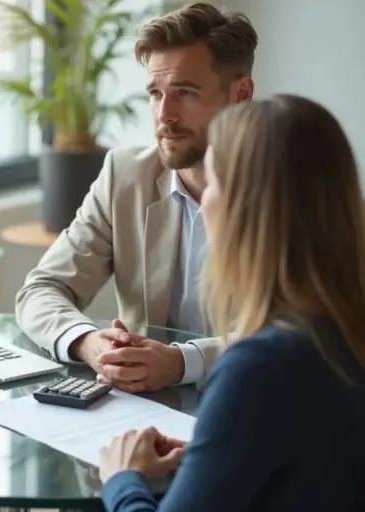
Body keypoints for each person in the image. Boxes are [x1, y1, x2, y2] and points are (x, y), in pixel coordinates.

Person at [98, 94, 365, 510]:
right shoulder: (341, 329)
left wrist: (122, 478)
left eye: (214, 180)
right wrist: (215, 453)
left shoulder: (262, 366)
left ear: (248, 209)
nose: (203, 200)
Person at [15, 3, 257, 391]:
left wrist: (182, 362)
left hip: (256, 410)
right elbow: (41, 290)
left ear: (240, 94)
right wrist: (88, 343)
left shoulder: (293, 190)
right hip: (141, 410)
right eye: (155, 93)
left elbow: (307, 333)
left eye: (185, 92)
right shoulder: (125, 176)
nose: (165, 114)